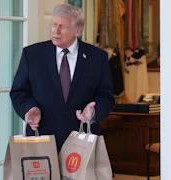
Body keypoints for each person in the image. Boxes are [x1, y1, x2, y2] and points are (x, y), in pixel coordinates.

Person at [10, 4, 114, 153]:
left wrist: (93, 112)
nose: (56, 31)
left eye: (63, 27)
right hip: (42, 139)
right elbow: (19, 92)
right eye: (54, 25)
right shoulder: (32, 54)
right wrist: (30, 108)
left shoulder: (97, 57)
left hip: (82, 142)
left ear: (77, 31)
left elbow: (106, 96)